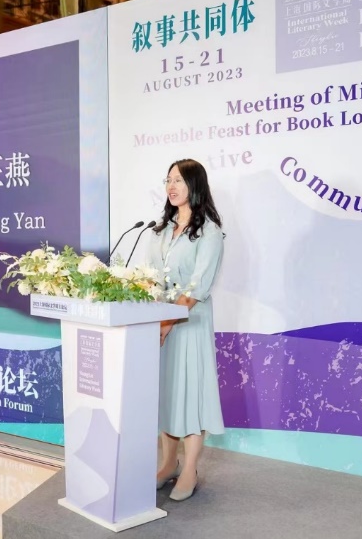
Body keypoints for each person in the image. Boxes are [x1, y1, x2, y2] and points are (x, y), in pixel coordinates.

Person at [150, 158, 225, 502]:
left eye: (178, 180)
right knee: (166, 393)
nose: (171, 186)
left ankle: (190, 469)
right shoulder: (161, 229)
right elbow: (153, 277)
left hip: (189, 323)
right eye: (168, 180)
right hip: (160, 323)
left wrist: (167, 323)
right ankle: (169, 464)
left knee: (191, 395)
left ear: (195, 185)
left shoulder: (209, 231)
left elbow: (197, 286)